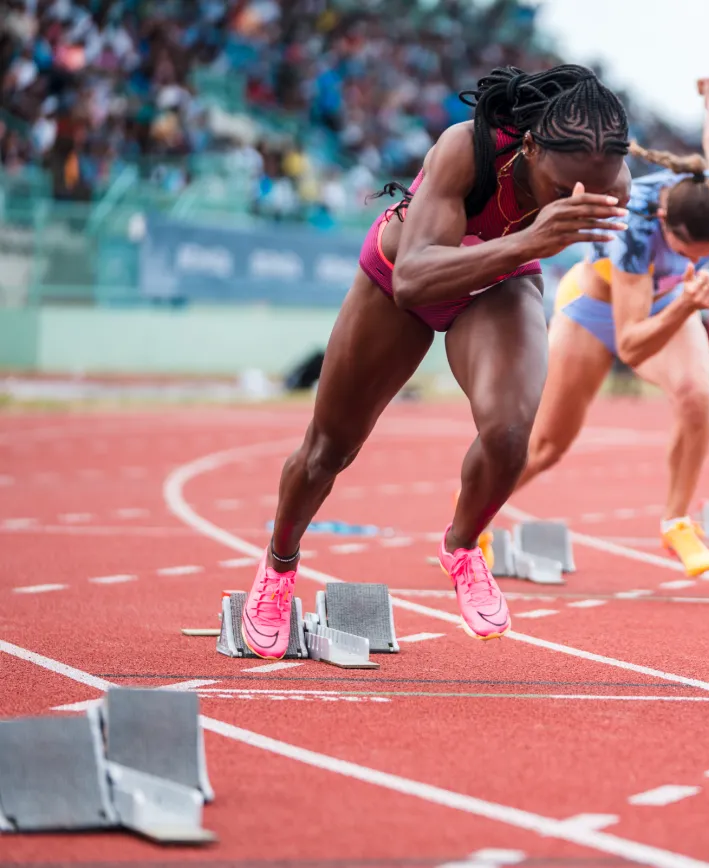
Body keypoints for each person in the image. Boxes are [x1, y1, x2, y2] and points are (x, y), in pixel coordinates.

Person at [241, 65, 633, 658]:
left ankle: (461, 547)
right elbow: (413, 280)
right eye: (563, 191)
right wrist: (530, 241)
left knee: (508, 435)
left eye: (596, 192)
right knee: (328, 450)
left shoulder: (611, 182)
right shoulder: (465, 148)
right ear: (529, 148)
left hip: (499, 283)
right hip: (402, 277)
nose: (580, 203)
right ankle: (278, 567)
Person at [514, 78, 709, 576]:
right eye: (686, 254)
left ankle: (676, 523)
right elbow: (632, 341)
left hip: (664, 304)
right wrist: (686, 305)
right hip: (594, 309)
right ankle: (470, 520)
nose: (696, 263)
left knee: (696, 395)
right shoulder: (634, 231)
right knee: (547, 446)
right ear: (664, 222)